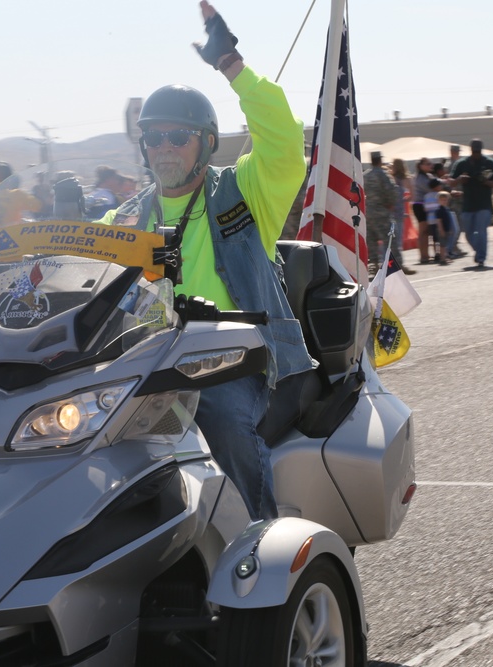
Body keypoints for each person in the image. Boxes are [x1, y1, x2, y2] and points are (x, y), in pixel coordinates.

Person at [103, 0, 313, 521]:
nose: (164, 147)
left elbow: (285, 141)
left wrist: (232, 67)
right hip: (146, 363)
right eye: (153, 137)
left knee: (216, 414)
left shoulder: (243, 192)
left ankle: (261, 537)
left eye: (178, 135)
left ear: (207, 143)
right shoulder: (124, 220)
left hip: (239, 363)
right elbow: (73, 272)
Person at [450, 139, 493, 268]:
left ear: (481, 149)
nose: (476, 153)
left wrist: (485, 181)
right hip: (468, 204)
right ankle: (479, 251)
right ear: (470, 149)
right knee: (468, 232)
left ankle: (481, 258)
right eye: (474, 150)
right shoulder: (462, 164)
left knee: (481, 230)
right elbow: (451, 181)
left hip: (484, 204)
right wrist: (460, 179)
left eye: (478, 150)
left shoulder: (489, 163)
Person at [363, 151, 399, 275]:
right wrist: (390, 204)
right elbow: (392, 192)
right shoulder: (384, 175)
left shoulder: (365, 175)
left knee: (371, 241)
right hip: (382, 212)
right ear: (380, 160)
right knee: (390, 239)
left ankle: (372, 266)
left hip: (368, 212)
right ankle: (395, 266)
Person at [388, 158, 416, 274]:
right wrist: (403, 200)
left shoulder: (391, 178)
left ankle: (392, 262)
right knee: (399, 237)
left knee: (392, 236)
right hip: (402, 210)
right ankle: (398, 263)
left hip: (391, 209)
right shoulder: (407, 179)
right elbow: (412, 196)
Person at [410, 157, 436, 264]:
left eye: (430, 163)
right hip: (420, 205)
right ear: (420, 166)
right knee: (423, 231)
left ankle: (426, 254)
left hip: (428, 205)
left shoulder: (429, 176)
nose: (430, 165)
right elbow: (431, 188)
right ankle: (423, 255)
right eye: (427, 164)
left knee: (427, 231)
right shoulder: (420, 178)